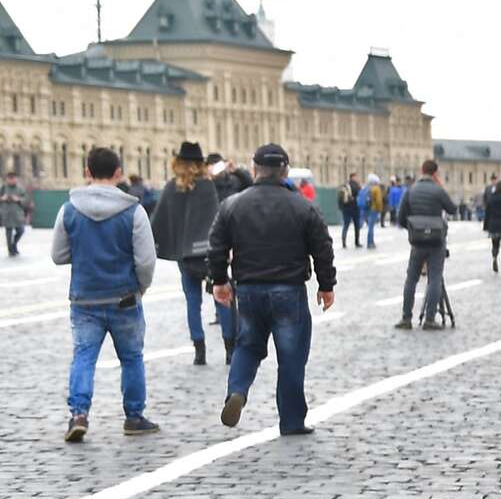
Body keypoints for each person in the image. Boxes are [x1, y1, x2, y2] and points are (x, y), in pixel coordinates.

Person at [211, 145, 335, 435]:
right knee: (291, 355)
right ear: (285, 171)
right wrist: (326, 285)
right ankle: (291, 421)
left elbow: (216, 246)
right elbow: (322, 248)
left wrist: (219, 281)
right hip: (288, 290)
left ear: (254, 170)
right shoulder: (302, 205)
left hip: (249, 288)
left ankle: (237, 391)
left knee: (248, 345)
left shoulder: (232, 204)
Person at [53, 146, 159, 441]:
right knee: (132, 358)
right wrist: (141, 287)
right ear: (118, 173)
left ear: (86, 172)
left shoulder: (68, 209)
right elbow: (146, 260)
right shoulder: (134, 211)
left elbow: (58, 255)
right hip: (124, 297)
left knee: (84, 357)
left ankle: (79, 414)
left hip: (84, 298)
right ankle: (134, 417)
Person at [150, 142, 228, 366]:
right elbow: (216, 220)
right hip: (208, 254)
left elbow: (158, 221)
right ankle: (229, 348)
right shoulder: (207, 187)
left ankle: (199, 351)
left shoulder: (171, 188)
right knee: (222, 298)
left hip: (185, 256)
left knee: (192, 303)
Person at [395, 159, 458, 330]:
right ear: (435, 173)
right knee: (435, 278)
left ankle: (406, 318)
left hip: (417, 241)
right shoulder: (438, 191)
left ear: (421, 170)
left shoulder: (411, 191)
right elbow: (453, 209)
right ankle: (430, 319)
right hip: (437, 241)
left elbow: (400, 218)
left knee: (411, 279)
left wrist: (413, 225)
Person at [0, 171, 28, 256]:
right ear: (7, 179)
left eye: (13, 178)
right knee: (8, 233)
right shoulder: (3, 188)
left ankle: (14, 244)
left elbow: (26, 199)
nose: (12, 180)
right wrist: (2, 198)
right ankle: (10, 250)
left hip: (17, 214)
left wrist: (18, 199)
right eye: (10, 179)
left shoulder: (20, 188)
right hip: (6, 213)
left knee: (21, 230)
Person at [336, 173, 362, 249]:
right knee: (356, 226)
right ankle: (357, 242)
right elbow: (359, 194)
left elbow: (340, 198)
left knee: (346, 225)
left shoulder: (345, 185)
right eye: (356, 177)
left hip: (346, 208)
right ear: (353, 177)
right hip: (354, 208)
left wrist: (341, 207)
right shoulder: (356, 185)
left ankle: (344, 242)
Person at [357, 174, 380, 250]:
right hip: (373, 209)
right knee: (371, 227)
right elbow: (378, 201)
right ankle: (370, 243)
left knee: (365, 224)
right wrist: (379, 209)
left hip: (365, 208)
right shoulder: (376, 188)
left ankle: (359, 239)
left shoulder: (365, 188)